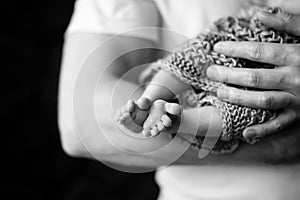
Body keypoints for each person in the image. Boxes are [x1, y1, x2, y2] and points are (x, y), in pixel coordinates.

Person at [58, 0, 300, 199]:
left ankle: (180, 118)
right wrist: (286, 145)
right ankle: (153, 99)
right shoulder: (243, 21)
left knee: (230, 109)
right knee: (188, 63)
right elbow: (80, 120)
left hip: (253, 97)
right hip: (224, 58)